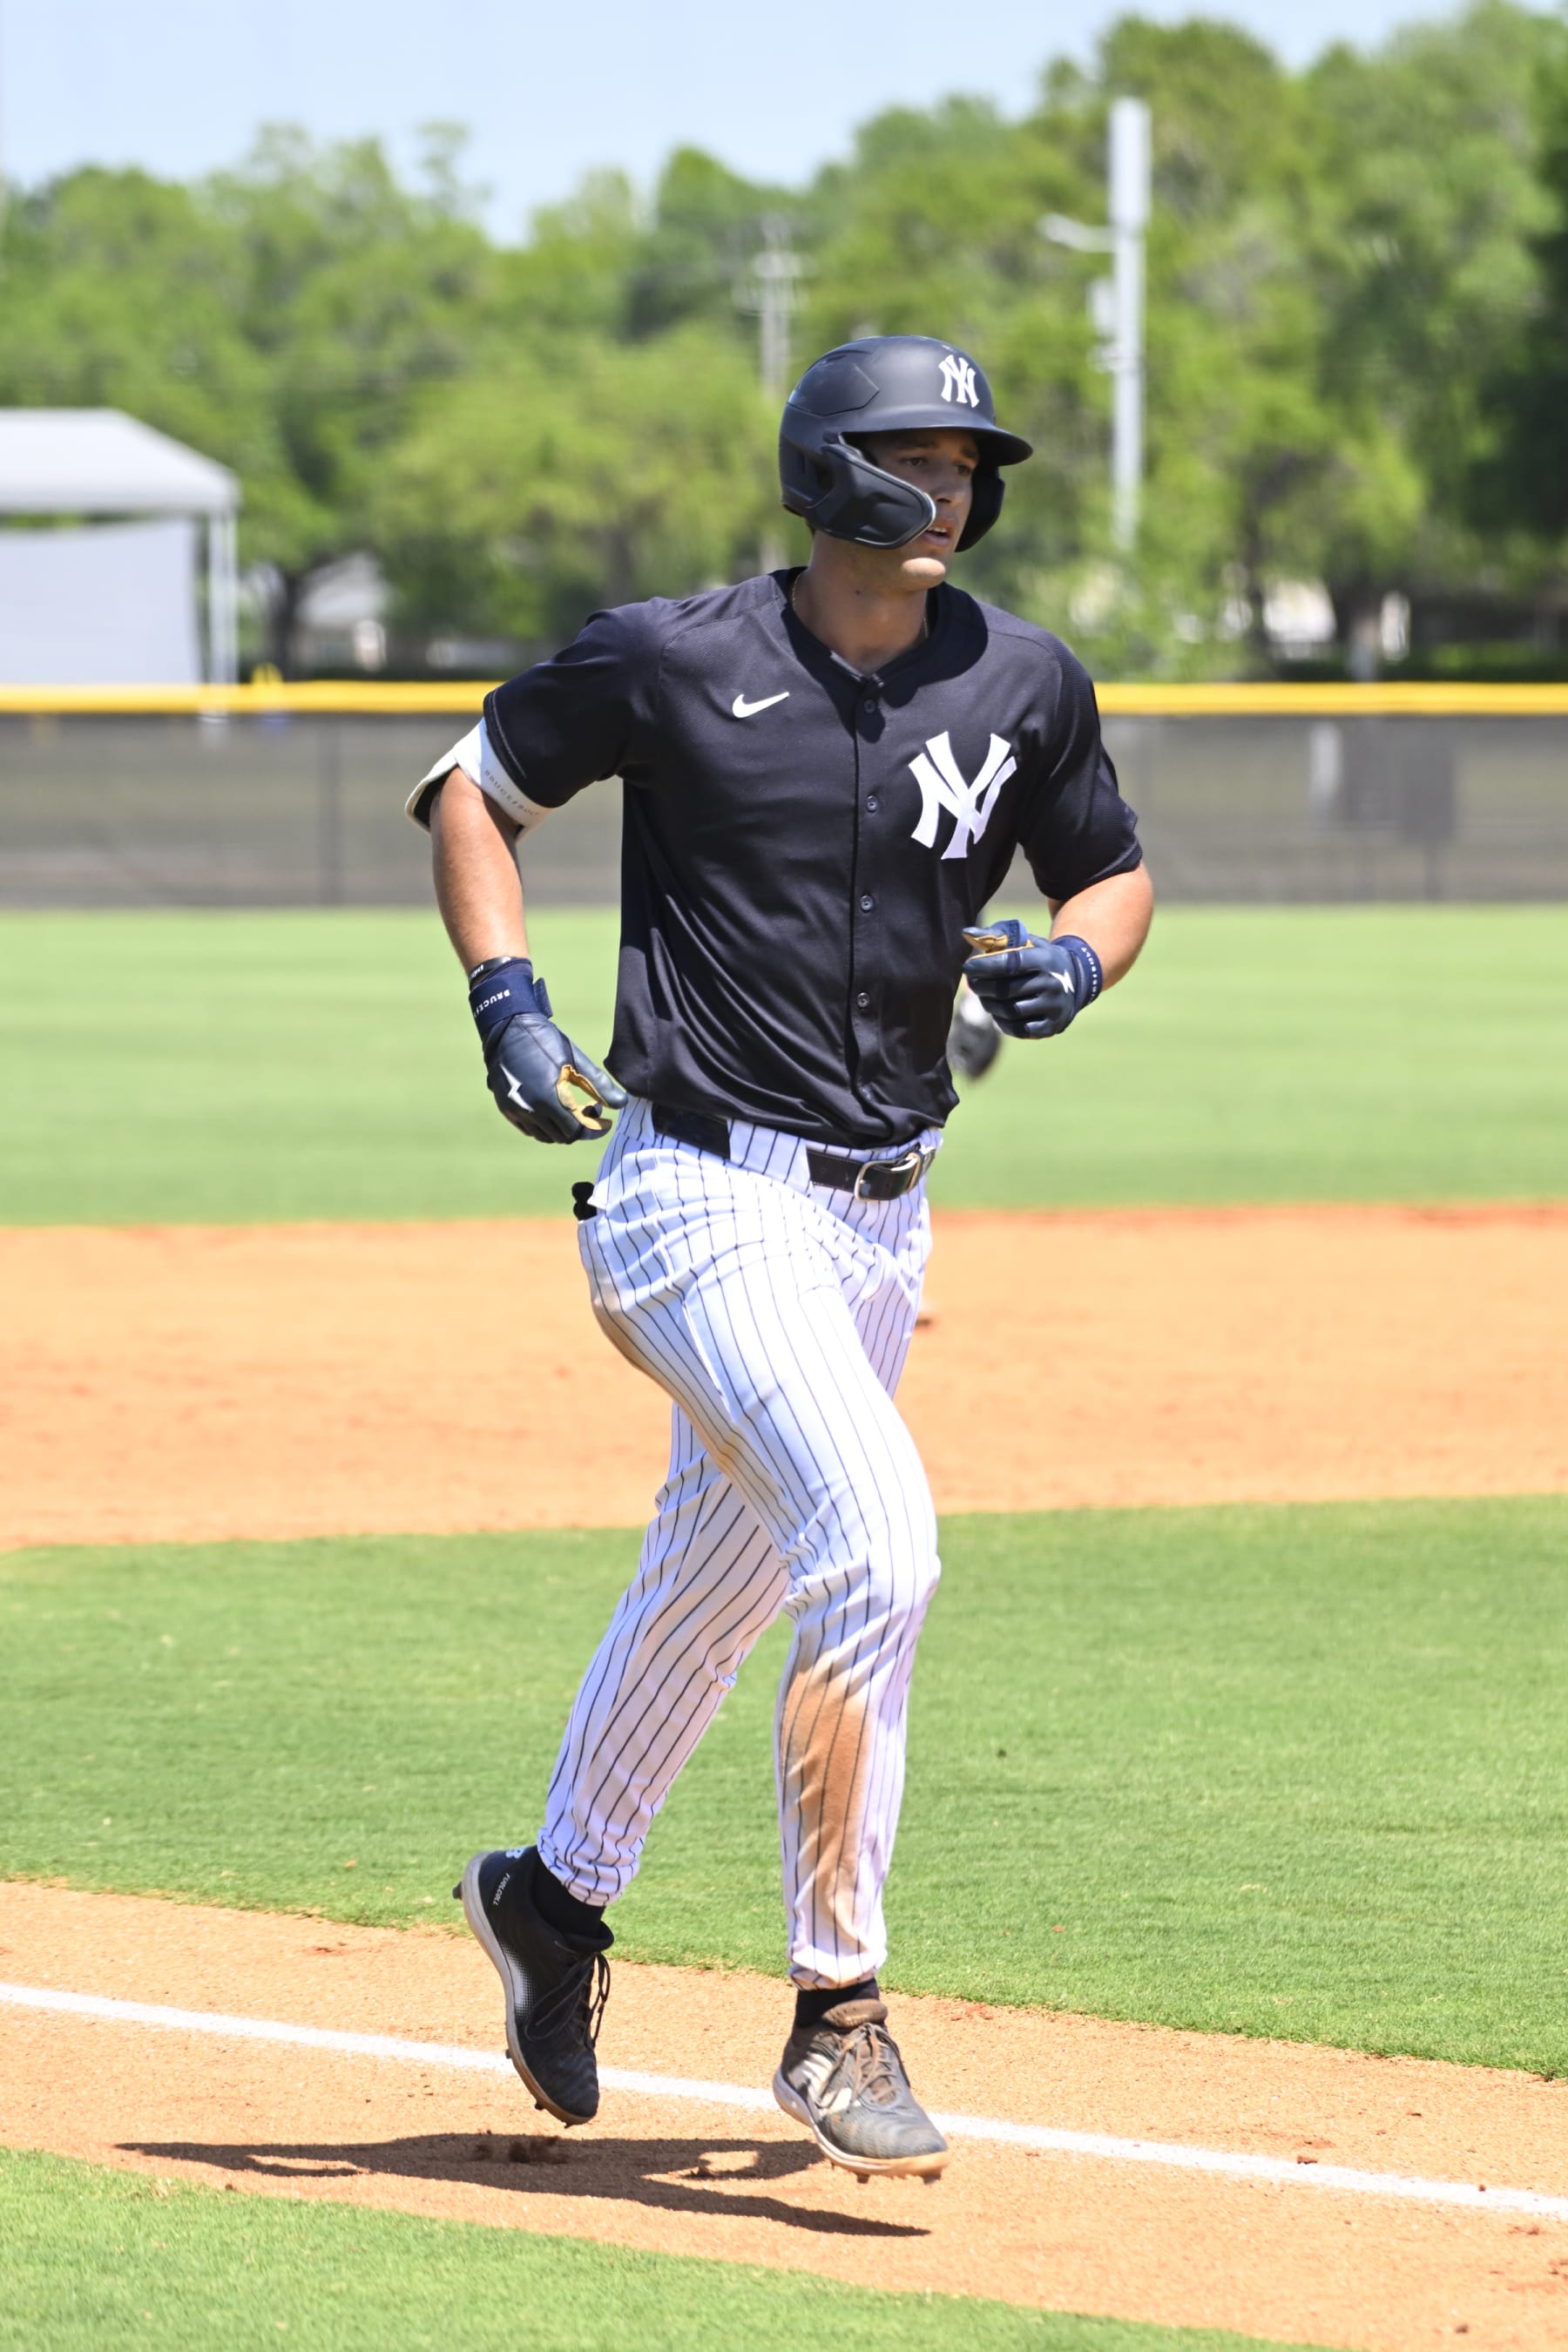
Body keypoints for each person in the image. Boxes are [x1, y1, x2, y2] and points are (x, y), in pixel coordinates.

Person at [407, 335, 1153, 2184]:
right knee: (877, 1544)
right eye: (922, 450)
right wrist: (508, 1003)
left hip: (882, 1215)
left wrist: (1081, 958)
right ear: (836, 469)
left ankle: (550, 1905)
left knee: (719, 1579)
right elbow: (471, 793)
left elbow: (1112, 873)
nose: (958, 481)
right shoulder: (673, 655)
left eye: (975, 455)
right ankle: (837, 2017)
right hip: (691, 1192)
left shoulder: (1022, 677)